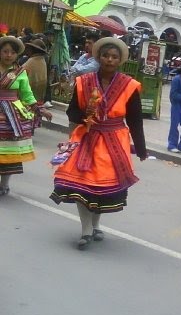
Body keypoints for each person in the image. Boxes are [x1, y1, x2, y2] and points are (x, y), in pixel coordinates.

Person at [50, 37, 147, 250]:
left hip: (114, 140)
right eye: (105, 55)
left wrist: (140, 147)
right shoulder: (83, 82)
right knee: (81, 185)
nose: (109, 60)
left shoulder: (128, 86)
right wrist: (85, 115)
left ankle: (95, 224)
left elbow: (134, 118)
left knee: (102, 187)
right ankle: (86, 230)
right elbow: (72, 110)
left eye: (114, 57)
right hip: (86, 137)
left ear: (120, 60)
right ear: (99, 57)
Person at [0, 36, 52, 195]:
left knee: (9, 151)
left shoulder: (20, 72)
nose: (9, 55)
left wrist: (39, 109)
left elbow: (27, 94)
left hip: (11, 116)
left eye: (13, 52)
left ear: (17, 55)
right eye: (5, 51)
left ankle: (4, 185)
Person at [21, 39, 49, 104]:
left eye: (29, 49)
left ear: (33, 50)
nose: (27, 50)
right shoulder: (42, 60)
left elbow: (18, 74)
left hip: (29, 99)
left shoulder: (31, 62)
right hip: (40, 98)